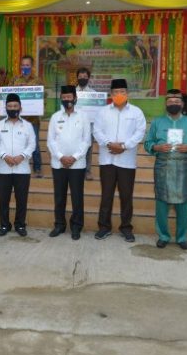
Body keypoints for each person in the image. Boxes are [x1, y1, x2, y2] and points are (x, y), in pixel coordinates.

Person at [145, 89, 187, 250]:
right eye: (170, 101)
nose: (173, 104)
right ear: (166, 104)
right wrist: (157, 147)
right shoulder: (157, 122)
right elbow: (148, 143)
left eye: (177, 102)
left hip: (183, 166)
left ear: (182, 104)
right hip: (163, 166)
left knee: (183, 203)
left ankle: (182, 237)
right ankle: (163, 236)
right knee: (162, 203)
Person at [93, 79, 147, 242]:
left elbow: (140, 132)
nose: (119, 94)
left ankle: (126, 228)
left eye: (122, 91)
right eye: (116, 92)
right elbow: (97, 131)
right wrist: (109, 144)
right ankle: (104, 227)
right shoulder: (103, 112)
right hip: (107, 160)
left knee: (126, 196)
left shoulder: (136, 112)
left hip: (127, 161)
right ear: (111, 94)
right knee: (106, 195)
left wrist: (124, 146)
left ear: (127, 93)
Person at [47, 86, 91, 240]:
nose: (67, 100)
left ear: (75, 98)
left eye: (69, 97)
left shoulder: (83, 117)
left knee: (77, 197)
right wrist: (61, 157)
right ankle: (59, 225)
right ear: (61, 99)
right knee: (59, 196)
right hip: (58, 164)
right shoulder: (55, 117)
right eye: (64, 97)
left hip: (77, 164)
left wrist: (74, 157)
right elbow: (51, 141)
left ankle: (76, 227)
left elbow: (86, 140)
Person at [0, 93, 36, 237]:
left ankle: (20, 225)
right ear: (6, 108)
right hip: (3, 169)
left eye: (15, 106)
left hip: (22, 169)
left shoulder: (27, 126)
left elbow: (32, 144)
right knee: (3, 200)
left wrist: (22, 156)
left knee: (21, 200)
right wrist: (4, 156)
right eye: (9, 106)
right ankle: (4, 225)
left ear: (20, 108)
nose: (12, 108)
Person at [8, 55, 44, 178]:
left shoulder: (38, 81)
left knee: (35, 145)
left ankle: (37, 168)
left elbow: (43, 99)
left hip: (33, 120)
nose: (25, 67)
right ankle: (19, 167)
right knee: (18, 143)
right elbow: (7, 96)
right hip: (17, 119)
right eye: (23, 65)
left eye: (27, 65)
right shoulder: (14, 80)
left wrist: (40, 108)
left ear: (32, 66)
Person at [74, 67, 96, 181]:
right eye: (80, 77)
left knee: (88, 150)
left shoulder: (94, 94)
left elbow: (98, 113)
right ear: (77, 78)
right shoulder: (72, 92)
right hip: (74, 127)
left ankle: (87, 171)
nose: (82, 78)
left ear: (88, 78)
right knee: (75, 149)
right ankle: (76, 170)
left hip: (89, 128)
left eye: (85, 77)